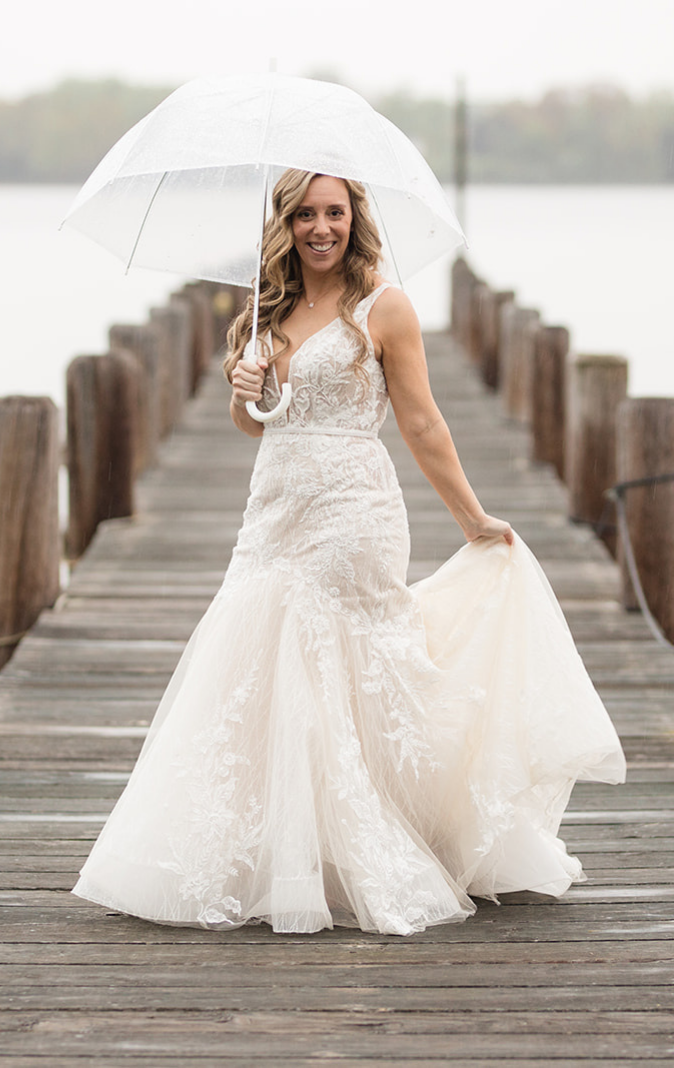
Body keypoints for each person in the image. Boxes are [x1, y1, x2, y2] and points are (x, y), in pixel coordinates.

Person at [72, 170, 625, 936]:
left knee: (329, 653)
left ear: (354, 219)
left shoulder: (384, 306)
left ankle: (365, 841)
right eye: (305, 214)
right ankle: (283, 848)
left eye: (334, 212)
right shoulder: (268, 306)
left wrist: (471, 517)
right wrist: (245, 387)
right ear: (287, 223)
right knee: (255, 652)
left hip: (352, 508)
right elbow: (259, 423)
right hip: (273, 507)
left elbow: (423, 423)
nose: (320, 227)